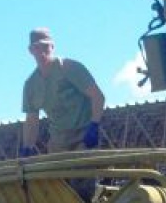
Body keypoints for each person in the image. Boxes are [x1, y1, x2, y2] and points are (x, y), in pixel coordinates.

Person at [20, 27, 106, 155]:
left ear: (52, 47)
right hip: (58, 141)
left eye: (45, 47)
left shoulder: (69, 68)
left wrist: (94, 125)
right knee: (56, 167)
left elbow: (98, 97)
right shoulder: (31, 85)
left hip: (83, 135)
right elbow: (31, 119)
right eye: (37, 48)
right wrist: (28, 146)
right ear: (31, 51)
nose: (42, 52)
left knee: (84, 166)